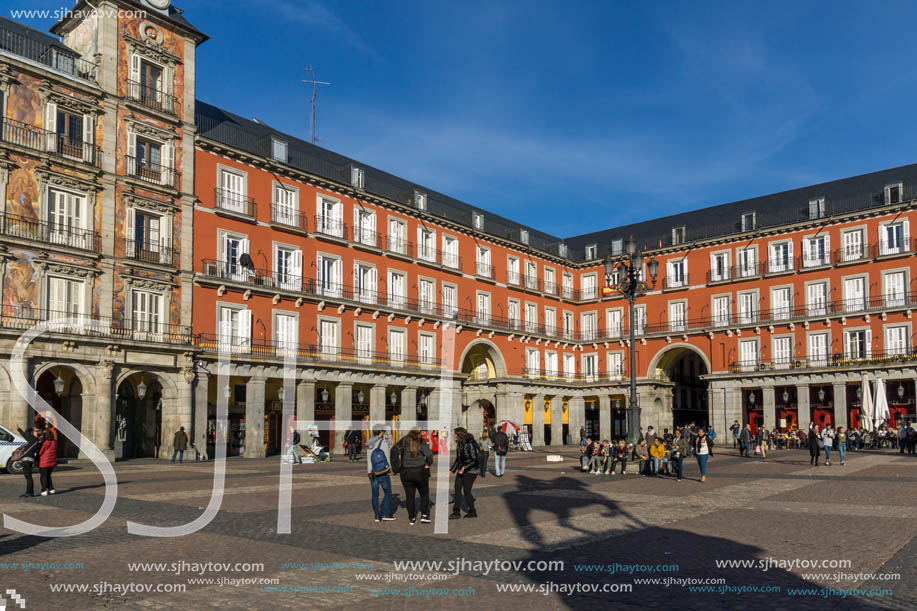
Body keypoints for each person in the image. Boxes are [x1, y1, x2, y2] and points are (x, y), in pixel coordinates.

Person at [397, 430, 433, 525]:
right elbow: (429, 455)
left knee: (410, 496)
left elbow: (394, 451)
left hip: (406, 472)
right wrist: (428, 464)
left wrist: (397, 467)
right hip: (420, 471)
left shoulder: (404, 441)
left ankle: (412, 518)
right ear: (419, 434)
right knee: (424, 494)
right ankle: (424, 515)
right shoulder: (421, 441)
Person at [366, 425, 394, 522]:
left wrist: (369, 471)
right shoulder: (382, 442)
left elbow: (369, 459)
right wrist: (390, 468)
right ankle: (385, 513)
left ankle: (377, 516)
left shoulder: (369, 442)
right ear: (381, 432)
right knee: (388, 492)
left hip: (372, 472)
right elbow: (387, 456)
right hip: (382, 471)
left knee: (375, 495)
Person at [450, 427, 479, 519]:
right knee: (457, 488)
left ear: (460, 434)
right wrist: (452, 470)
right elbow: (458, 459)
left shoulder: (470, 444)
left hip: (471, 470)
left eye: (455, 434)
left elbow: (475, 460)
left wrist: (464, 467)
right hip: (461, 469)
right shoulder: (459, 443)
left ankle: (472, 511)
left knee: (466, 491)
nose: (454, 435)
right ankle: (456, 512)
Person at [16, 423, 43, 498]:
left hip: (26, 460)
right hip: (30, 460)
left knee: (28, 477)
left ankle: (30, 492)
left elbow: (25, 433)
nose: (33, 432)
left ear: (36, 433)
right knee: (28, 476)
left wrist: (19, 429)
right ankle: (29, 492)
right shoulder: (37, 441)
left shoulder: (32, 439)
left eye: (34, 431)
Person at [37, 429, 58, 496]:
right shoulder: (54, 442)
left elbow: (40, 452)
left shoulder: (45, 443)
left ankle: (44, 490)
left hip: (44, 462)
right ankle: (51, 489)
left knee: (43, 476)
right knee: (48, 475)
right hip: (52, 462)